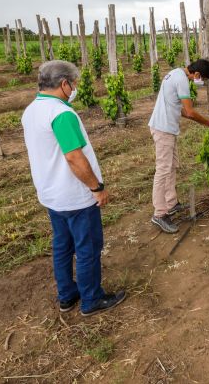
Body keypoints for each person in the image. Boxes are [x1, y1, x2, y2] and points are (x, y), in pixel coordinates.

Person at [21, 60, 126, 316]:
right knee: (87, 248)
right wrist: (96, 187)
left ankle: (67, 296)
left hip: (51, 194)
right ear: (64, 84)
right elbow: (74, 157)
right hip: (75, 196)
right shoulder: (62, 114)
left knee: (62, 247)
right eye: (74, 84)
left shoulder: (31, 110)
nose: (75, 89)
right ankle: (91, 299)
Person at [148, 59, 209, 234]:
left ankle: (171, 203)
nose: (201, 82)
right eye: (204, 79)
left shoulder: (175, 73)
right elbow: (190, 112)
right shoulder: (182, 80)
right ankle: (159, 214)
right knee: (163, 169)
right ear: (198, 74)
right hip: (163, 128)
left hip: (167, 127)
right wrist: (208, 123)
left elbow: (180, 109)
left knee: (171, 166)